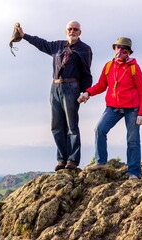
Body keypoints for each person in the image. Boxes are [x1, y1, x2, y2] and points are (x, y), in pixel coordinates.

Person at [17, 21, 93, 171]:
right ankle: (61, 159)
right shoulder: (58, 46)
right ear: (66, 31)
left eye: (75, 29)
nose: (73, 31)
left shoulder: (85, 49)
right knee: (56, 125)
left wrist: (86, 92)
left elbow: (86, 73)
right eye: (70, 29)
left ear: (80, 32)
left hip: (72, 87)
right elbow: (41, 43)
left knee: (71, 126)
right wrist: (24, 36)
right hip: (55, 87)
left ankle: (72, 160)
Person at [79, 37, 142, 179]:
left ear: (129, 52)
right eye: (118, 48)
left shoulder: (134, 67)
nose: (120, 51)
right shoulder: (109, 66)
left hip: (132, 108)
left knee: (132, 140)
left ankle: (134, 173)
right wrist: (88, 93)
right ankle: (101, 162)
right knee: (99, 129)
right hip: (113, 107)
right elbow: (101, 85)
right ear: (114, 49)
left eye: (124, 49)